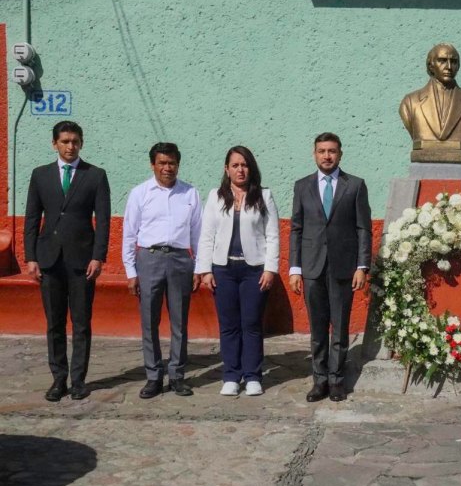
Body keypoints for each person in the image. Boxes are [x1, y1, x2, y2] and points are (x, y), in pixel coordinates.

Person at [24, 121, 111, 402]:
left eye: (75, 141)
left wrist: (98, 256)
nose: (70, 146)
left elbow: (104, 220)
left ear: (81, 143)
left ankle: (78, 381)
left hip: (82, 261)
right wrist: (31, 257)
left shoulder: (95, 175)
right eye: (64, 141)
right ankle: (58, 379)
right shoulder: (40, 175)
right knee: (54, 323)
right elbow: (32, 218)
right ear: (55, 144)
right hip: (49, 260)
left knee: (82, 323)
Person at [289, 133, 372, 403]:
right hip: (312, 268)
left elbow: (363, 229)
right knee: (317, 328)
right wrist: (294, 269)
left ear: (340, 154)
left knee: (340, 327)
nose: (327, 156)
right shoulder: (302, 186)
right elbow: (297, 229)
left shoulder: (355, 185)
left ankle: (337, 380)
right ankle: (319, 380)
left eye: (332, 151)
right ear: (314, 154)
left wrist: (362, 266)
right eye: (322, 151)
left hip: (343, 268)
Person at [196, 146, 280, 397]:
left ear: (251, 168)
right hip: (224, 269)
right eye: (235, 165)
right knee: (229, 325)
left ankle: (253, 376)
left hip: (254, 270)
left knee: (251, 324)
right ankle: (231, 375)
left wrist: (270, 269)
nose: (240, 169)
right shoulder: (215, 196)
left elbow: (273, 235)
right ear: (227, 169)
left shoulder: (264, 196)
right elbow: (207, 235)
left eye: (244, 165)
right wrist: (205, 270)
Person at [123, 143, 202, 399]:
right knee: (149, 321)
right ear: (152, 165)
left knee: (180, 322)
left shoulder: (190, 193)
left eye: (172, 163)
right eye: (162, 163)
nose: (167, 168)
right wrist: (131, 271)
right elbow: (129, 234)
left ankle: (177, 375)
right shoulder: (139, 193)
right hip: (149, 259)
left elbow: (198, 233)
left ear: (178, 165)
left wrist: (199, 267)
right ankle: (153, 376)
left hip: (180, 260)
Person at [399, 43, 461, 164]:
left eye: (454, 62)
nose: (449, 66)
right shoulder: (410, 102)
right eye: (442, 61)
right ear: (431, 65)